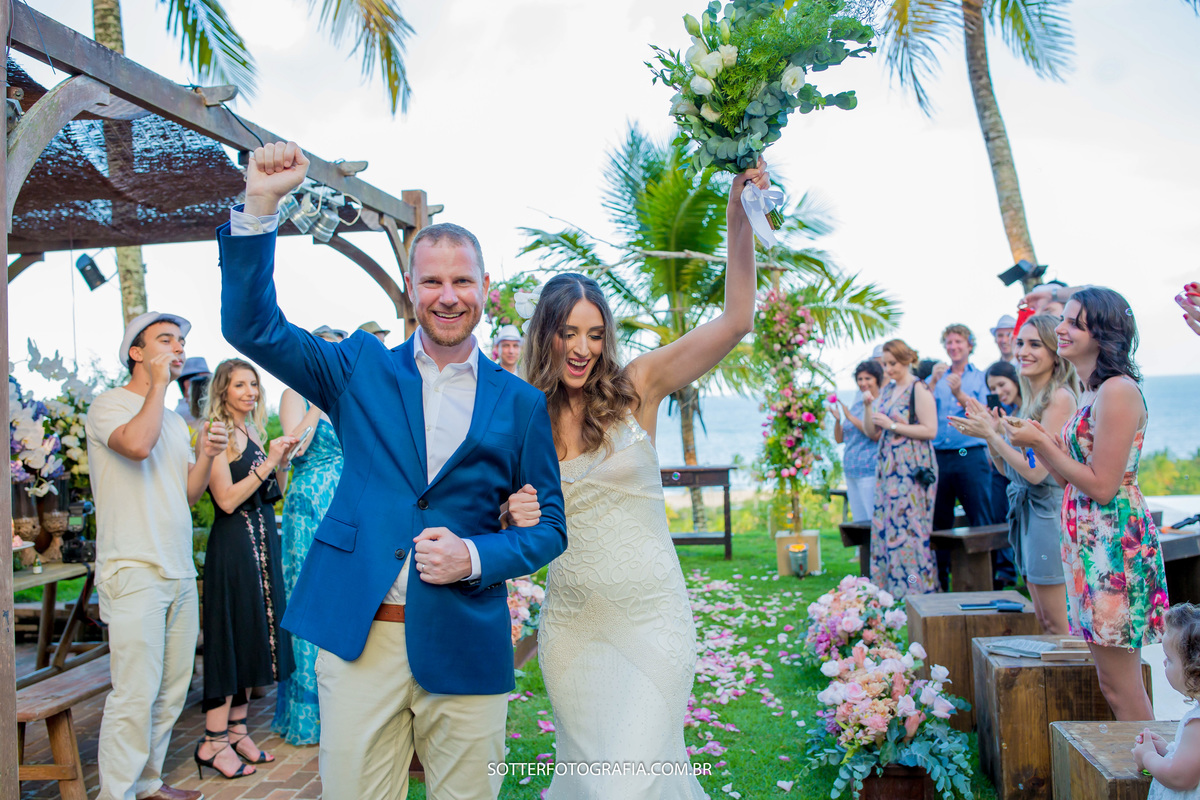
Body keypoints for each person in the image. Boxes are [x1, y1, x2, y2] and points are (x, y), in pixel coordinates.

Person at [217, 140, 567, 800]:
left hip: (465, 639)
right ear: (411, 289)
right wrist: (261, 205)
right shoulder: (357, 368)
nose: (448, 295)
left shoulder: (521, 403)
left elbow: (549, 527)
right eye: (432, 280)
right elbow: (253, 328)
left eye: (463, 281)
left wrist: (474, 554)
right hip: (359, 640)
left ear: (485, 291)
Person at [508, 161, 765, 799]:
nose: (583, 347)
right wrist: (511, 515)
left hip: (652, 617)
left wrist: (738, 217)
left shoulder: (638, 388)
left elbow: (736, 321)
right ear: (546, 334)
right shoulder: (519, 417)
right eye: (569, 332)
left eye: (595, 334)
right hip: (572, 628)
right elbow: (493, 516)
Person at [1007, 287, 1168, 720]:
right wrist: (1038, 442)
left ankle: (1156, 781)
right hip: (1088, 543)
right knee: (1109, 681)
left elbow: (1102, 486)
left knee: (1120, 686)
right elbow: (1063, 477)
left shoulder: (1117, 391)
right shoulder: (1090, 392)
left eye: (1074, 323)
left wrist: (1041, 440)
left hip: (1113, 544)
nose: (1060, 328)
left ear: (1103, 333)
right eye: (1064, 320)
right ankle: (1148, 771)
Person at [85, 311, 225, 800]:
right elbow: (136, 448)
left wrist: (206, 452)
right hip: (133, 568)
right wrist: (161, 388)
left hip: (179, 569)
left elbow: (186, 493)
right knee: (134, 693)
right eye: (165, 339)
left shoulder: (168, 419)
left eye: (181, 340)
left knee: (170, 690)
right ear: (136, 353)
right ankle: (115, 793)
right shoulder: (109, 406)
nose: (178, 347)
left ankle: (146, 782)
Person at [195, 358, 297, 779]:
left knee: (253, 632)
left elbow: (276, 492)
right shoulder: (215, 434)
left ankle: (237, 730)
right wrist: (269, 462)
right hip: (234, 547)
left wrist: (283, 462)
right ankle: (212, 741)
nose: (250, 392)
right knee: (231, 634)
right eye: (240, 385)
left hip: (261, 542)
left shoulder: (252, 431)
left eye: (253, 384)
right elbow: (226, 499)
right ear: (222, 390)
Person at [951, 315, 1078, 634]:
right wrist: (990, 436)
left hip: (1047, 513)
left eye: (1035, 344)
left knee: (1058, 625)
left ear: (1054, 352)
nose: (1023, 350)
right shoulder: (1032, 400)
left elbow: (1036, 474)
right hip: (1027, 514)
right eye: (1020, 343)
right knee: (1045, 621)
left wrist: (993, 437)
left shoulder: (1059, 398)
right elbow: (1008, 470)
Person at [272, 326, 346, 746]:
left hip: (345, 503)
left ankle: (344, 706)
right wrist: (317, 403)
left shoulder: (349, 399)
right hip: (308, 506)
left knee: (343, 599)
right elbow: (293, 448)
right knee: (309, 599)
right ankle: (308, 717)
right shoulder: (293, 395)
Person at [862, 339, 940, 598]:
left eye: (892, 363)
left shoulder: (919, 388)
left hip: (912, 468)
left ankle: (917, 589)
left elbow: (930, 430)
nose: (888, 369)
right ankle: (890, 590)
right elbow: (873, 431)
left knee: (910, 528)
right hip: (889, 467)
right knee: (888, 525)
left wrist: (893, 426)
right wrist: (868, 407)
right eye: (884, 364)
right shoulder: (887, 390)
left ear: (907, 360)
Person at [926, 323, 997, 590]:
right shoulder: (936, 378)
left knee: (980, 516)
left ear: (969, 345)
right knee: (939, 520)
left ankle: (987, 580)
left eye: (958, 342)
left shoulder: (980, 377)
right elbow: (917, 405)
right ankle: (940, 581)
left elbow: (986, 415)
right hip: (939, 456)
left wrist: (958, 393)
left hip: (971, 454)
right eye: (949, 342)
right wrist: (932, 381)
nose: (953, 347)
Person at [1133, 603, 1200, 799]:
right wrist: (1170, 750)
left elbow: (1179, 778)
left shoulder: (1197, 724)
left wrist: (1147, 757)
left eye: (1169, 659)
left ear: (1195, 675)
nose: (1163, 663)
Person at [982, 360, 1022, 586]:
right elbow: (1003, 467)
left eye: (1001, 385)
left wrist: (992, 434)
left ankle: (1007, 571)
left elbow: (1032, 468)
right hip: (1015, 486)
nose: (997, 392)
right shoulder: (1012, 413)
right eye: (992, 389)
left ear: (1014, 380)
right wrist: (992, 433)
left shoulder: (1025, 412)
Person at [833, 360, 884, 524]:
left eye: (868, 378)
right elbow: (840, 439)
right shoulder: (856, 406)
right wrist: (838, 420)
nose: (863, 383)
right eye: (860, 379)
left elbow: (875, 434)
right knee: (859, 521)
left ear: (877, 379)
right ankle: (861, 551)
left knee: (872, 519)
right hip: (851, 470)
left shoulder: (880, 404)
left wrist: (850, 418)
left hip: (869, 469)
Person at [174, 356, 210, 429]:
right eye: (205, 380)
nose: (211, 384)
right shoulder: (188, 414)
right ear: (188, 385)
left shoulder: (179, 412)